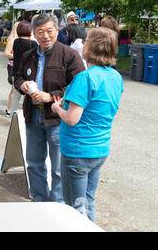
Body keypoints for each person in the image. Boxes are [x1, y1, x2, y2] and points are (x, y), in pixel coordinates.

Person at [51, 27, 123, 221]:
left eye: (87, 40)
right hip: (99, 148)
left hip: (78, 150)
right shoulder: (115, 77)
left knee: (75, 207)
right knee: (87, 200)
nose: (83, 43)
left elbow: (72, 119)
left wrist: (57, 108)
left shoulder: (85, 78)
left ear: (93, 46)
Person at [14, 13, 86, 203]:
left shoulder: (69, 55)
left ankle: (57, 204)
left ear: (57, 30)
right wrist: (22, 85)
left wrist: (51, 97)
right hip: (33, 116)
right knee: (34, 163)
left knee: (58, 167)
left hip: (57, 119)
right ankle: (39, 200)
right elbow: (18, 77)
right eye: (40, 32)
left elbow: (79, 86)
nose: (45, 36)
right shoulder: (29, 55)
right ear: (34, 34)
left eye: (49, 31)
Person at [10, 20, 38, 116]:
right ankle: (27, 115)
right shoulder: (33, 44)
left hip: (16, 71)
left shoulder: (16, 42)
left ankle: (12, 115)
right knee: (29, 95)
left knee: (16, 96)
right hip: (28, 73)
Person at [4, 21, 19, 116]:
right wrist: (17, 56)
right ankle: (9, 109)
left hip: (21, 66)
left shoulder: (26, 39)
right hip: (13, 66)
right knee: (14, 88)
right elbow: (6, 53)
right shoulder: (12, 40)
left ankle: (13, 109)